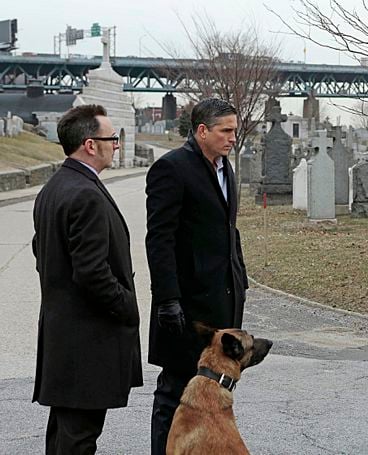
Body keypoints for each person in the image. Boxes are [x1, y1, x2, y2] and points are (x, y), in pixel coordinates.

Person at [32, 104, 143, 454]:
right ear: (91, 145)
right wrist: (126, 305)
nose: (117, 145)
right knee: (79, 437)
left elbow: (42, 252)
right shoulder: (85, 195)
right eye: (113, 138)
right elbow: (92, 272)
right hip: (86, 341)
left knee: (66, 435)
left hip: (65, 335)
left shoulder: (56, 186)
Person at [145, 98, 248, 454]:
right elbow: (159, 238)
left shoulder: (225, 168)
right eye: (226, 130)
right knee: (175, 392)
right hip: (186, 306)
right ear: (202, 131)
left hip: (223, 299)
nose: (234, 137)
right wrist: (168, 299)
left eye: (235, 130)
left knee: (213, 394)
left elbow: (227, 230)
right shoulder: (172, 169)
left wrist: (241, 278)